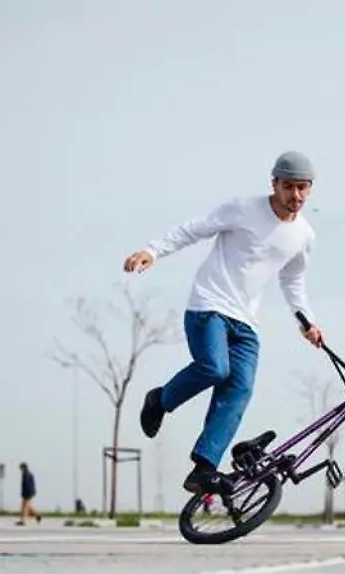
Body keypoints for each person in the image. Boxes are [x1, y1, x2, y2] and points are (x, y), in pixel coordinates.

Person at [123, 150, 325, 495]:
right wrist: (152, 251)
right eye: (289, 187)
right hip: (209, 306)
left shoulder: (303, 236)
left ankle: (204, 468)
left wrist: (307, 322)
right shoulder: (244, 209)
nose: (296, 195)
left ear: (310, 188)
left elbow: (292, 281)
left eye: (303, 187)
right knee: (216, 368)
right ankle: (160, 400)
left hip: (246, 322)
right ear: (274, 184)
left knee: (240, 387)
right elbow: (194, 229)